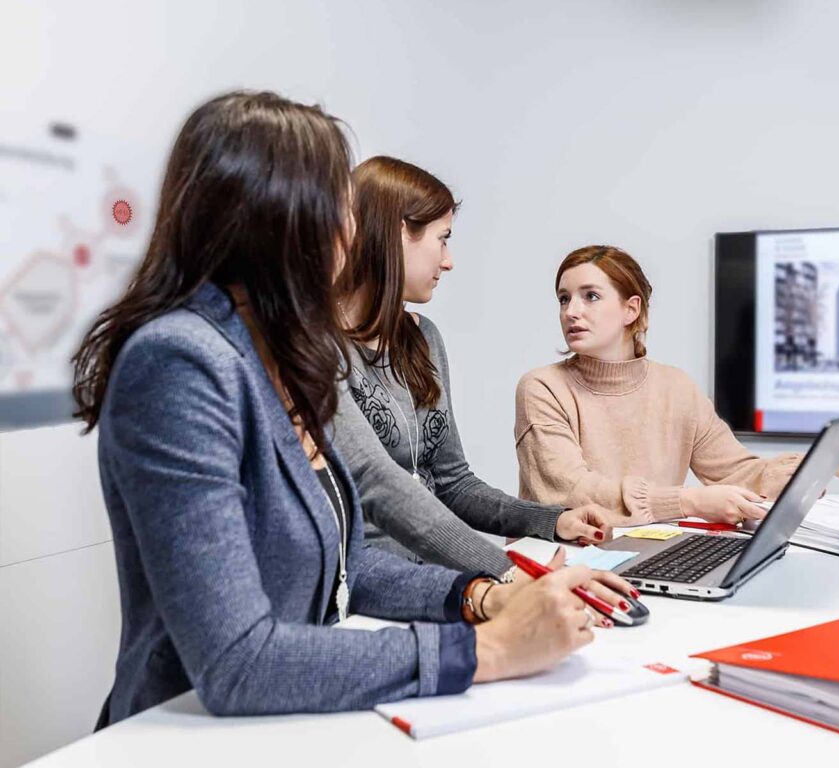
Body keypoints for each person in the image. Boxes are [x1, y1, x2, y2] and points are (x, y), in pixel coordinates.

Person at [72, 91, 604, 727]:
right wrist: (484, 648)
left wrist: (479, 595)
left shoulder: (279, 355)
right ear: (283, 216)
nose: (354, 231)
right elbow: (238, 661)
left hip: (289, 720)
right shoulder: (178, 362)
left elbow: (345, 565)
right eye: (342, 208)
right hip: (182, 732)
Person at [333, 156, 615, 577]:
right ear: (396, 233)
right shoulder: (317, 348)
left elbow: (452, 483)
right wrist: (508, 576)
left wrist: (550, 521)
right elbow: (375, 486)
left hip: (443, 573)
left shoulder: (423, 337)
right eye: (442, 239)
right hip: (370, 580)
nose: (448, 261)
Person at [514, 245, 839, 527]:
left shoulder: (674, 387)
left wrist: (819, 461)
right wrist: (689, 502)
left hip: (646, 555)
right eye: (564, 299)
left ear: (631, 309)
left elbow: (738, 472)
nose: (571, 312)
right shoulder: (542, 388)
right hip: (568, 567)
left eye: (590, 297)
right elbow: (571, 493)